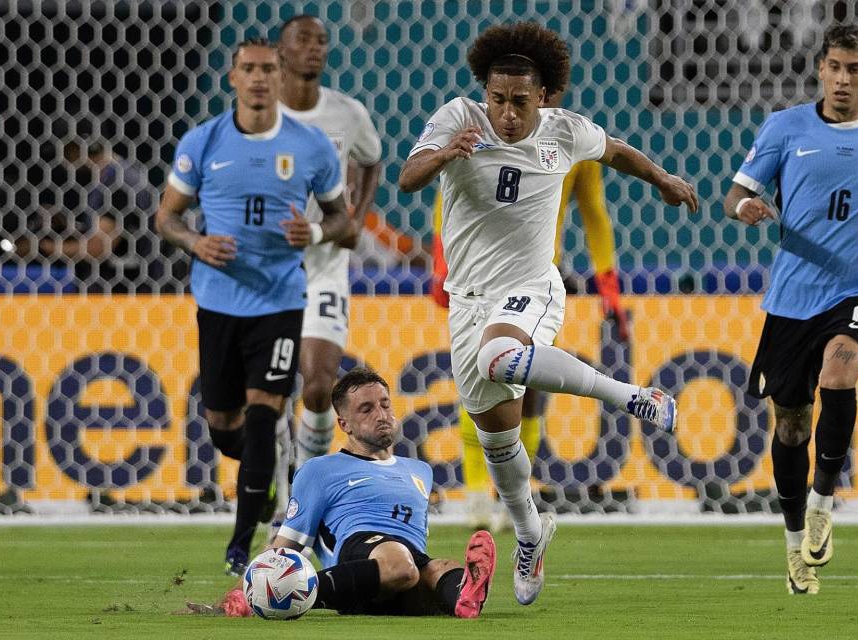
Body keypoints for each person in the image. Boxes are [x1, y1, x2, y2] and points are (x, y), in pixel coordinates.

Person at [398, 22, 698, 605]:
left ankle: (629, 396)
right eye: (498, 99)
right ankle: (533, 532)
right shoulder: (457, 118)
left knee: (500, 356)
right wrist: (443, 154)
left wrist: (662, 179)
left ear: (546, 97)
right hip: (469, 298)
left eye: (520, 101)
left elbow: (616, 152)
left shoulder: (566, 133)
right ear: (485, 92)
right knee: (498, 436)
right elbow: (407, 179)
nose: (506, 113)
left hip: (532, 285)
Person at [723, 24, 858, 595]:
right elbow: (735, 193)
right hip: (792, 298)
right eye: (834, 67)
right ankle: (794, 543)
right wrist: (746, 209)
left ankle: (822, 501)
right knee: (790, 426)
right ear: (820, 69)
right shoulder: (786, 128)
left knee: (841, 371)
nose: (843, 79)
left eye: (854, 70)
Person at [154, 38, 356, 576]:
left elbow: (345, 222)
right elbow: (166, 218)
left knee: (266, 413)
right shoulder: (203, 141)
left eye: (269, 68)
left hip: (281, 299)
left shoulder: (311, 145)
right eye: (249, 69)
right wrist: (196, 243)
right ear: (233, 77)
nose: (260, 78)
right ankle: (263, 477)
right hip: (219, 301)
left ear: (281, 74)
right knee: (224, 425)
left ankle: (242, 545)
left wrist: (313, 229)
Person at [430, 87, 630, 531]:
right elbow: (446, 197)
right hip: (476, 274)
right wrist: (440, 263)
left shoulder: (570, 139)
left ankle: (511, 497)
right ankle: (477, 492)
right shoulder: (480, 131)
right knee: (478, 377)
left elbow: (594, 213)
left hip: (535, 277)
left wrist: (608, 286)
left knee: (527, 382)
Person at [186, 368, 497, 619]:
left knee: (442, 570)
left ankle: (464, 598)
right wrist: (239, 594)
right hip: (359, 553)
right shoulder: (321, 470)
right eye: (366, 408)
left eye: (385, 404)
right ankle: (293, 592)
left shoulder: (419, 471)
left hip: (405, 571)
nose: (381, 414)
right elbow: (285, 545)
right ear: (344, 423)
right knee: (400, 563)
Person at [275, 15, 383, 468]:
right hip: (270, 266)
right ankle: (275, 477)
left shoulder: (347, 112)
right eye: (303, 39)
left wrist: (354, 217)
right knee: (271, 388)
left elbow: (372, 159)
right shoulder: (259, 117)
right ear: (281, 52)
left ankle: (306, 485)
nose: (315, 48)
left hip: (324, 263)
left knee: (318, 385)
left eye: (321, 40)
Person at [15, 123, 161, 294]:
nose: (63, 160)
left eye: (66, 152)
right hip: (119, 293)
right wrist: (70, 226)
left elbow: (98, 248)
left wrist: (42, 247)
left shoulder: (118, 183)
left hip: (123, 298)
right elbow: (118, 233)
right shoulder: (110, 177)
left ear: (82, 147)